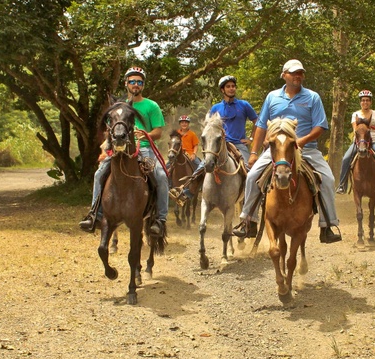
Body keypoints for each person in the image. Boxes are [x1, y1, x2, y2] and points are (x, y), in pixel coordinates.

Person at [231, 59, 342, 244]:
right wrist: (253, 153)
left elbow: (320, 126)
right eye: (293, 73)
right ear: (284, 75)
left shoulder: (312, 97)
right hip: (276, 150)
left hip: (306, 150)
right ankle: (248, 221)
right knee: (252, 178)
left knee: (328, 180)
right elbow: (260, 126)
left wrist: (301, 141)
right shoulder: (272, 97)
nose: (298, 76)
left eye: (300, 73)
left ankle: (327, 225)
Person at [79, 66, 169, 235]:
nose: (136, 85)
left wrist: (144, 135)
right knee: (99, 174)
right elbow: (109, 128)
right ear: (126, 83)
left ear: (143, 85)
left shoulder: (151, 106)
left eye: (139, 82)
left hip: (144, 148)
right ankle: (95, 215)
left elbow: (158, 132)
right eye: (133, 81)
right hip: (119, 148)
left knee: (162, 176)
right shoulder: (117, 106)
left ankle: (160, 219)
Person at [170, 75, 257, 203]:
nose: (231, 89)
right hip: (219, 145)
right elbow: (208, 128)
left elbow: (257, 122)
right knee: (201, 167)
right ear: (222, 90)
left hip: (239, 144)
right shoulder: (216, 108)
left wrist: (250, 138)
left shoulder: (244, 105)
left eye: (233, 86)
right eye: (228, 86)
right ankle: (186, 192)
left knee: (249, 170)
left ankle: (253, 199)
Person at [336, 90, 375, 194]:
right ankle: (342, 185)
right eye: (363, 100)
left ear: (370, 102)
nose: (365, 102)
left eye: (367, 100)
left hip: (374, 142)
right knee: (346, 159)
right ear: (360, 102)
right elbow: (355, 128)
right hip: (359, 142)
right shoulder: (355, 114)